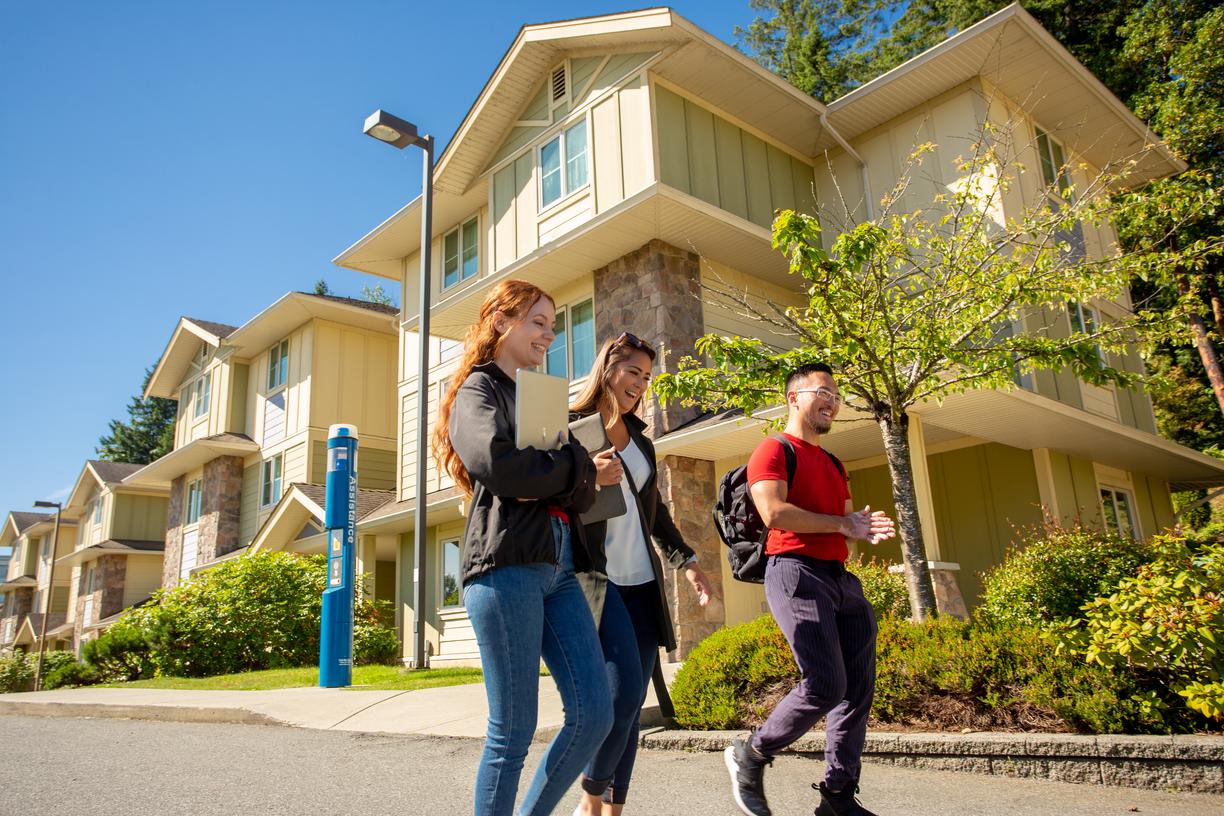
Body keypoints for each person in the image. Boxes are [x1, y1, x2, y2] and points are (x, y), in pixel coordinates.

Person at [435, 279, 617, 816]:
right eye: (537, 322)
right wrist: (579, 468)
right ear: (501, 322)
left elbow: (572, 493)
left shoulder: (540, 395)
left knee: (594, 713)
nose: (548, 335)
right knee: (512, 730)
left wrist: (574, 476)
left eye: (553, 326)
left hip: (560, 564)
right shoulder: (478, 389)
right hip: (505, 564)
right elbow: (502, 469)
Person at [724, 363, 897, 816]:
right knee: (824, 683)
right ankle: (752, 753)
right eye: (823, 392)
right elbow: (775, 513)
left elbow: (843, 522)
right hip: (795, 571)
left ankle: (838, 798)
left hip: (841, 577)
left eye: (837, 396)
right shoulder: (773, 449)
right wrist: (842, 523)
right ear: (794, 398)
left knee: (857, 690)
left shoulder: (836, 462)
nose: (832, 402)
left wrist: (858, 527)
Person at [568, 333, 717, 816]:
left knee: (632, 706)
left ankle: (615, 806)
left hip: (642, 585)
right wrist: (590, 477)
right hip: (599, 583)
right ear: (609, 368)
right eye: (633, 372)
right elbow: (556, 498)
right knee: (620, 692)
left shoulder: (643, 444)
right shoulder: (571, 428)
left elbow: (657, 515)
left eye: (647, 377)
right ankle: (590, 796)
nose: (640, 384)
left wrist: (687, 562)